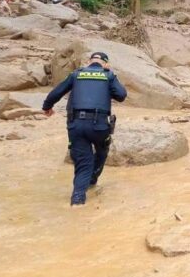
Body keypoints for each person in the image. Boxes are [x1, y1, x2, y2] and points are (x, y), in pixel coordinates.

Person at [42, 52, 127, 207]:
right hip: (99, 126)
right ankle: (93, 181)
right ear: (106, 64)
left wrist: (47, 107)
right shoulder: (108, 75)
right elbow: (121, 95)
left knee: (83, 162)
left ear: (89, 62)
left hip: (76, 125)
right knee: (102, 150)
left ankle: (77, 200)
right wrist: (112, 77)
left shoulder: (76, 74)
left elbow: (56, 92)